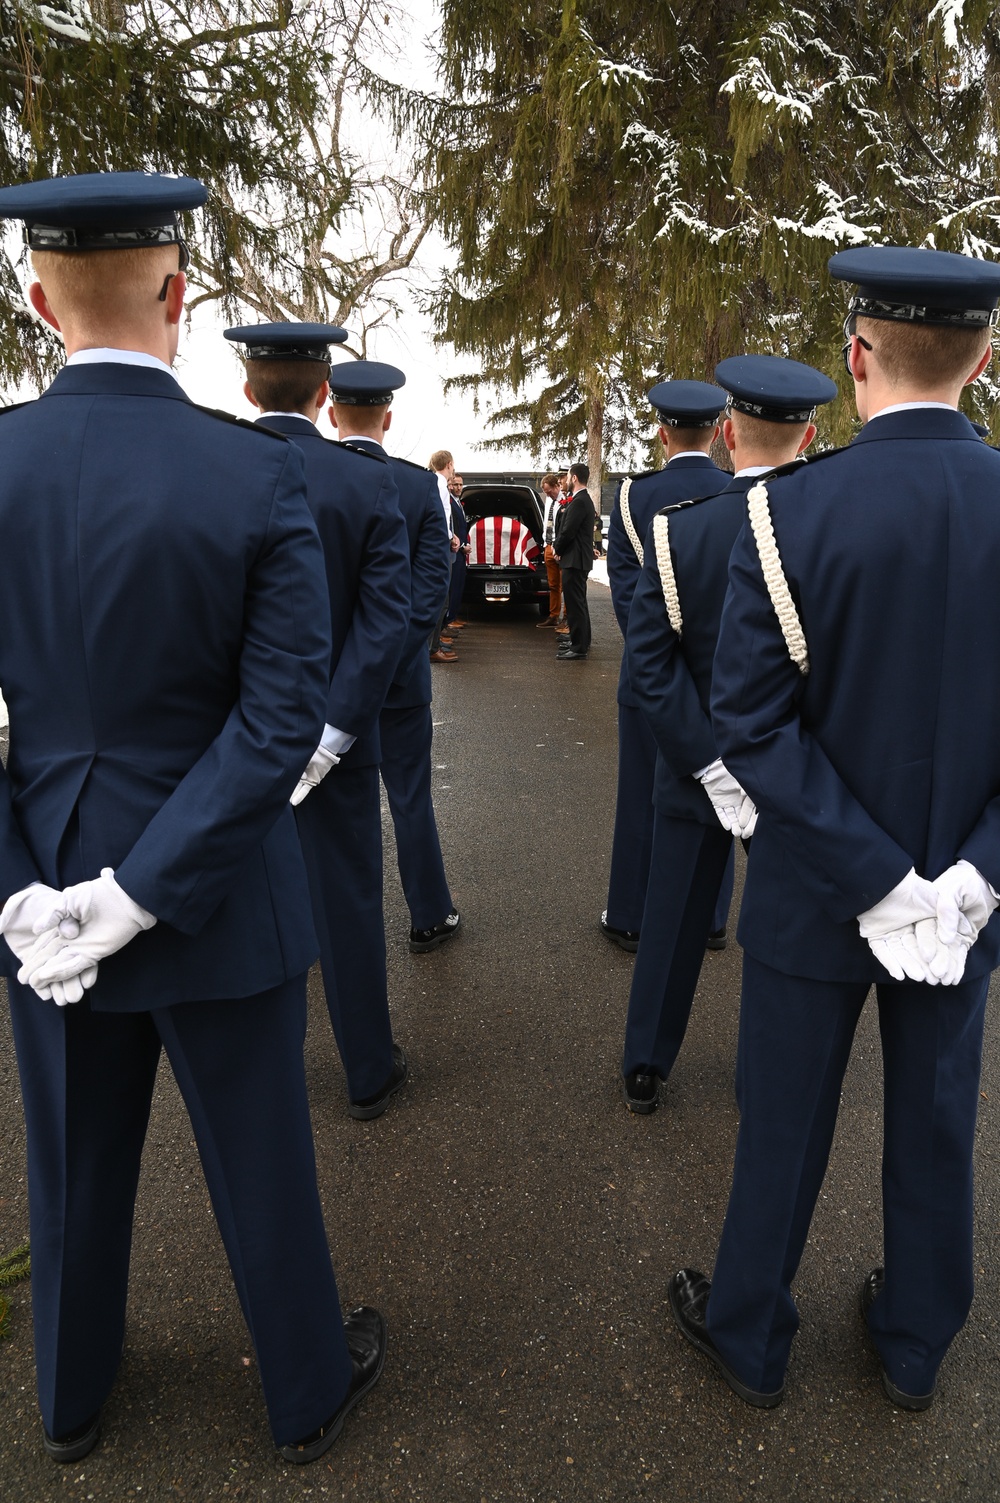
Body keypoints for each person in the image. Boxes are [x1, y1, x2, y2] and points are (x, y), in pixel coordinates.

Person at [0, 171, 384, 1465]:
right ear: (178, 292)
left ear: (40, 296)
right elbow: (279, 723)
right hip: (218, 892)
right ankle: (306, 1391)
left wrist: (29, 888)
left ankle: (69, 1396)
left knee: (73, 1168)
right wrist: (145, 888)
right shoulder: (252, 473)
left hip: (45, 899)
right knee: (263, 1160)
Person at [670, 245, 1000, 1413]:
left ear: (856, 359)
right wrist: (966, 879)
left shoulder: (786, 516)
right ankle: (914, 1344)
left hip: (816, 890)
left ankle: (748, 1330)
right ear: (985, 357)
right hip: (963, 904)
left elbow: (748, 726)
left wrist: (870, 879)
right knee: (934, 1121)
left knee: (783, 1123)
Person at [621, 358, 835, 1112]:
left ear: (728, 434)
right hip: (795, 770)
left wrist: (709, 764)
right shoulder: (828, 527)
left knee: (672, 916)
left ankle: (645, 1062)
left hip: (690, 763)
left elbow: (651, 665)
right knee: (786, 931)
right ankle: (772, 1075)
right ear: (808, 433)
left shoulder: (678, 530)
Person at [227, 321, 412, 1121]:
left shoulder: (213, 469)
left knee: (236, 904)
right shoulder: (369, 483)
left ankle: (251, 1081)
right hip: (339, 747)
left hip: (233, 745)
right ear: (326, 394)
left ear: (246, 389)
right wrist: (331, 735)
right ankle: (367, 1068)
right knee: (346, 907)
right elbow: (386, 622)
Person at [327, 362, 461, 953]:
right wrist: (386, 663)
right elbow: (429, 593)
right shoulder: (416, 487)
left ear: (333, 416)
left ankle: (316, 922)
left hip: (326, 686)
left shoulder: (306, 473)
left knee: (324, 808)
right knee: (410, 800)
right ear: (387, 416)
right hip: (401, 683)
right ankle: (429, 916)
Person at [602, 380, 729, 952]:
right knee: (723, 794)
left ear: (662, 432)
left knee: (640, 798)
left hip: (647, 677)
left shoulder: (633, 496)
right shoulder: (738, 493)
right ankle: (710, 918)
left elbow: (628, 596)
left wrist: (657, 658)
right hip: (721, 678)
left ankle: (630, 914)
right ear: (719, 431)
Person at [552, 461, 597, 660]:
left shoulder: (579, 501)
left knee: (575, 603)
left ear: (575, 478)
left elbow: (569, 531)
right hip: (577, 558)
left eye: (569, 476)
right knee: (579, 602)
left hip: (575, 559)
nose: (567, 480)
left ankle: (579, 647)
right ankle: (580, 640)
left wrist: (557, 548)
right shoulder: (581, 499)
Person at [428, 448, 462, 661]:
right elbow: (440, 516)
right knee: (441, 599)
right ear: (448, 464)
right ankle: (432, 649)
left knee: (443, 599)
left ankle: (435, 643)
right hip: (440, 548)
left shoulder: (434, 483)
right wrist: (451, 537)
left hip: (441, 544)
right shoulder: (439, 485)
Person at [535, 471, 566, 628]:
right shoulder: (548, 500)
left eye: (549, 491)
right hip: (548, 545)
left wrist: (558, 546)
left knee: (565, 584)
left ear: (557, 486)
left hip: (560, 547)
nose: (548, 495)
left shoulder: (566, 500)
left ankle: (566, 617)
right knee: (553, 585)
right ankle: (553, 615)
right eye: (545, 492)